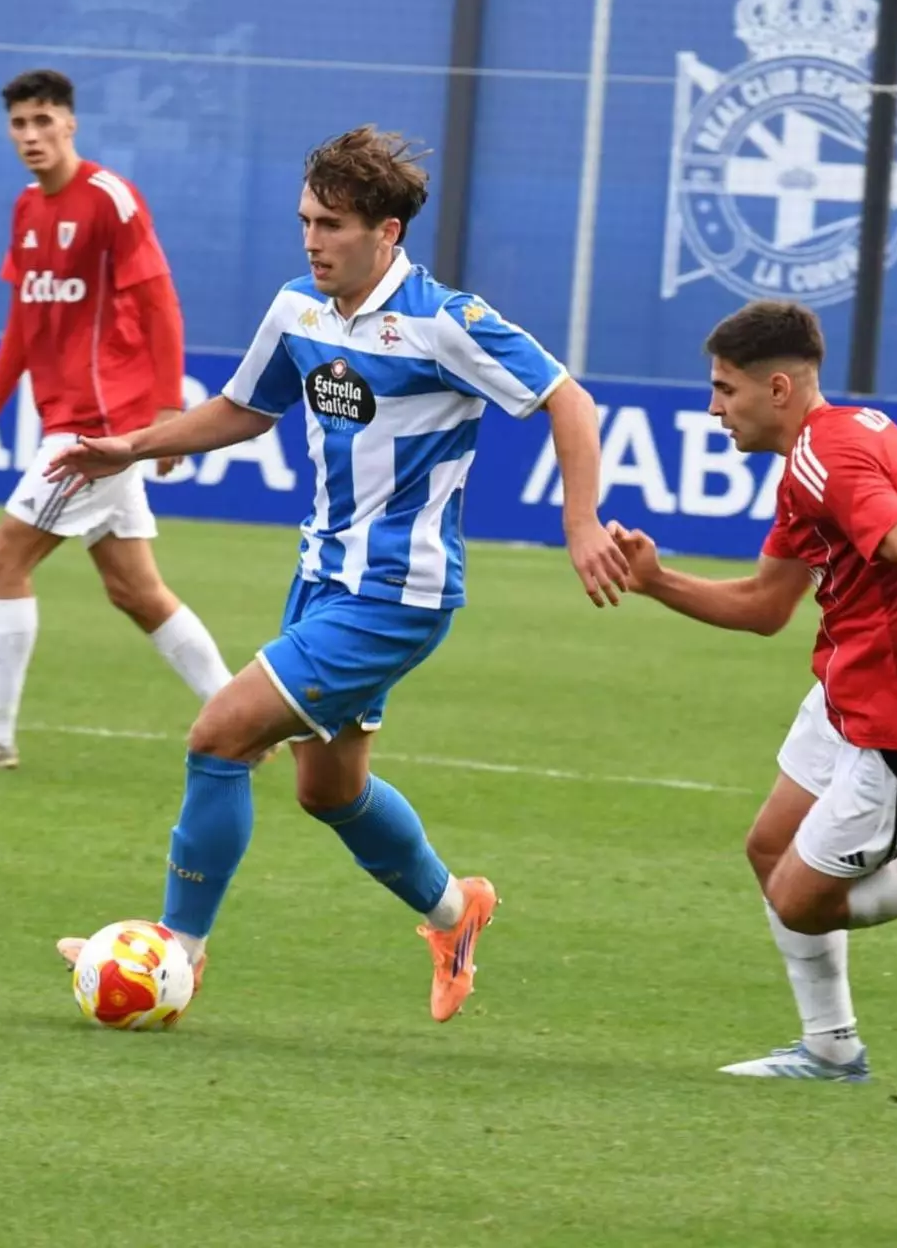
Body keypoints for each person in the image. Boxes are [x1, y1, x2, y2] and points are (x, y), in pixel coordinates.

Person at [48, 125, 630, 1021]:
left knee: (220, 735)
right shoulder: (299, 308)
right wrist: (130, 447)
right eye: (306, 221)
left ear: (386, 233)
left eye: (333, 225)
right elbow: (245, 409)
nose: (313, 241)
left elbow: (568, 397)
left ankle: (177, 954)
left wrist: (580, 520)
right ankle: (454, 914)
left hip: (398, 593)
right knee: (329, 789)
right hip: (322, 580)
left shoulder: (445, 322)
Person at [608, 299, 897, 1082]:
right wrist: (657, 583)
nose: (713, 407)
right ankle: (831, 1049)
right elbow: (767, 608)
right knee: (768, 848)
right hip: (849, 690)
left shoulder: (829, 461)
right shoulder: (832, 448)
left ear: (781, 389)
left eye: (727, 390)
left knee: (802, 898)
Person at [0, 70, 232, 771]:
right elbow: (25, 324)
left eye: (43, 121)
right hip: (69, 421)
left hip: (98, 430)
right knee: (135, 591)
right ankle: (242, 716)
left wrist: (169, 411)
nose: (31, 136)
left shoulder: (109, 199)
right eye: (20, 125)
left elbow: (160, 304)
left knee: (3, 559)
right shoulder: (27, 209)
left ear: (70, 123)